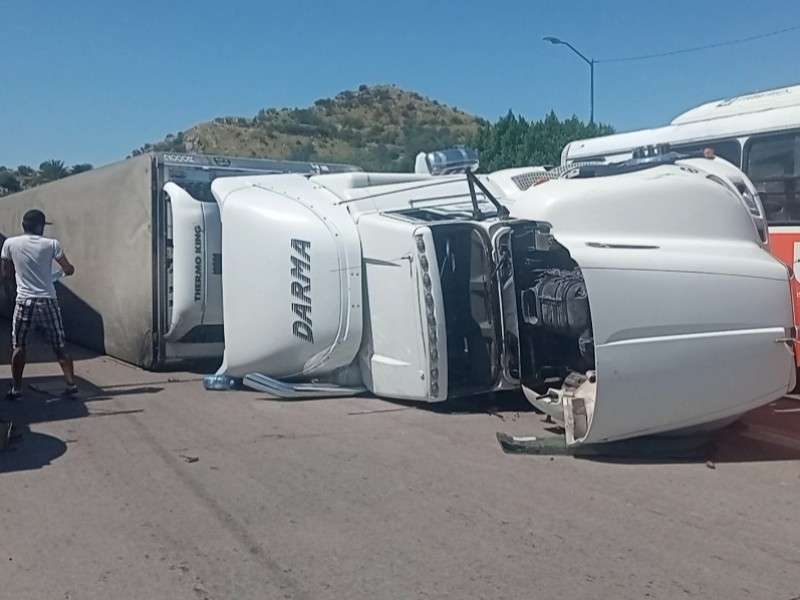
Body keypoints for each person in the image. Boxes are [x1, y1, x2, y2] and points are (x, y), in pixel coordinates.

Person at [1, 209, 77, 400]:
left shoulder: (10, 244)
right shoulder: (51, 244)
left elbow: (6, 274)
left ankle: (16, 390)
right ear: (39, 226)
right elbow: (69, 269)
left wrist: (14, 290)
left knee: (19, 346)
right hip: (47, 300)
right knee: (59, 346)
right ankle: (71, 385)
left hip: (24, 301)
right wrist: (60, 273)